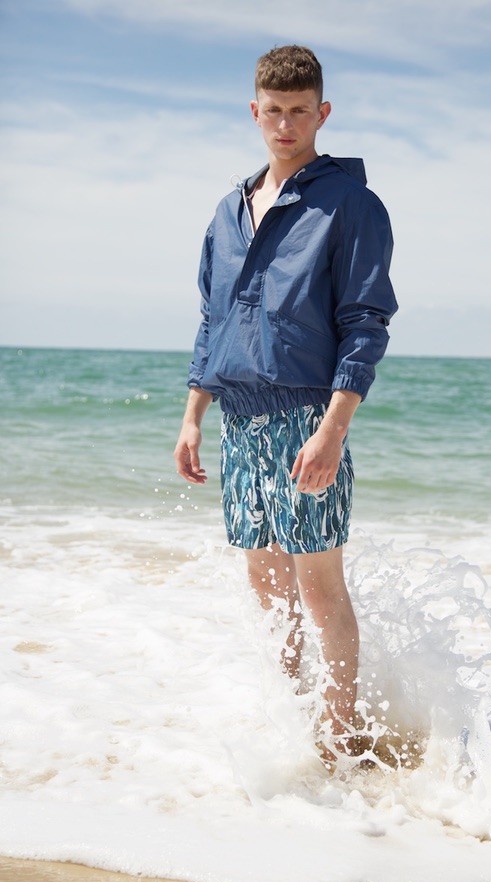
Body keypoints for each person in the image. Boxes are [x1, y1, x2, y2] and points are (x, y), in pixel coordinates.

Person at [174, 45, 397, 758]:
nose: (285, 124)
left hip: (308, 418)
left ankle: (341, 740)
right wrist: (193, 415)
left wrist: (334, 430)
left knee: (320, 588)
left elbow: (365, 323)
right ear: (255, 111)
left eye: (300, 111)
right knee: (267, 586)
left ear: (322, 113)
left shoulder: (351, 205)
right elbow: (213, 317)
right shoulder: (228, 211)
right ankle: (290, 729)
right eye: (273, 110)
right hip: (239, 420)